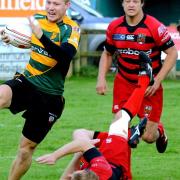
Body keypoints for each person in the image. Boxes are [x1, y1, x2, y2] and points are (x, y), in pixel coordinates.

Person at [36, 52, 153, 180]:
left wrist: (83, 148)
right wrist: (56, 155)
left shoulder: (93, 173)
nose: (71, 175)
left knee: (79, 133)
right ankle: (145, 78)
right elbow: (82, 146)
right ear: (88, 170)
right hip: (116, 156)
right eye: (76, 174)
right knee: (121, 117)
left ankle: (131, 133)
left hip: (104, 160)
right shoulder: (101, 169)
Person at [0, 0, 80, 179]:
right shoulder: (36, 20)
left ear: (67, 6)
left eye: (57, 4)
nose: (51, 7)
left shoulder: (71, 29)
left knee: (25, 149)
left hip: (50, 97)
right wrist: (11, 39)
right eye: (49, 2)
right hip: (27, 82)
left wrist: (41, 35)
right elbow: (29, 41)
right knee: (1, 95)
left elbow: (64, 56)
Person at [96, 0, 178, 154]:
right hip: (124, 83)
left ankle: (159, 131)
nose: (131, 4)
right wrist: (101, 78)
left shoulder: (154, 26)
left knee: (148, 136)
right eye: (127, 1)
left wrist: (157, 81)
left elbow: (172, 53)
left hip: (149, 86)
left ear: (142, 3)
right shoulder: (114, 27)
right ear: (122, 4)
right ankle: (121, 171)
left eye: (135, 1)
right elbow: (107, 53)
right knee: (119, 127)